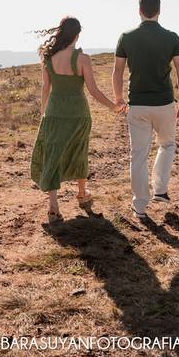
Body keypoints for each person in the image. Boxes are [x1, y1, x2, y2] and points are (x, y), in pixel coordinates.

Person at [30, 16, 122, 222]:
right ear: (78, 34)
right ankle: (82, 194)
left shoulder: (48, 58)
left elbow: (46, 88)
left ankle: (53, 205)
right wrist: (113, 106)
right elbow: (93, 90)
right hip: (78, 113)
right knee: (79, 151)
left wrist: (44, 111)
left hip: (54, 113)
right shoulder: (83, 59)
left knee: (52, 154)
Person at [112, 0, 179, 220]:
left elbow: (117, 71)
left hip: (137, 105)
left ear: (139, 11)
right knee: (167, 145)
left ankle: (140, 207)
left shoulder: (126, 37)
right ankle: (160, 189)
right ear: (159, 11)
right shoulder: (172, 37)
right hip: (165, 104)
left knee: (138, 155)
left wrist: (118, 98)